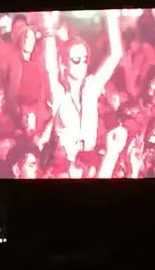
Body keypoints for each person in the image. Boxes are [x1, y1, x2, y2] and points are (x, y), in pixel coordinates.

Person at [44, 11, 124, 168]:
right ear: (64, 64)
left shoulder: (91, 88)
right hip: (64, 167)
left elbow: (115, 55)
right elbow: (50, 69)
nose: (82, 64)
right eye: (76, 60)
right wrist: (48, 31)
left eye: (85, 59)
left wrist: (111, 16)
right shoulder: (60, 93)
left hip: (90, 164)